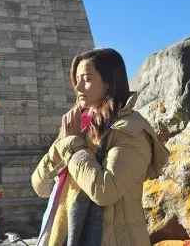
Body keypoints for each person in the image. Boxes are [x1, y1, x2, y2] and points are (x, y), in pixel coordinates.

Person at [31, 48, 170, 246]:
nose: (78, 87)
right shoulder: (79, 129)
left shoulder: (131, 130)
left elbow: (105, 191)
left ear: (109, 82)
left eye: (86, 78)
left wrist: (72, 145)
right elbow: (41, 186)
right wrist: (64, 140)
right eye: (76, 79)